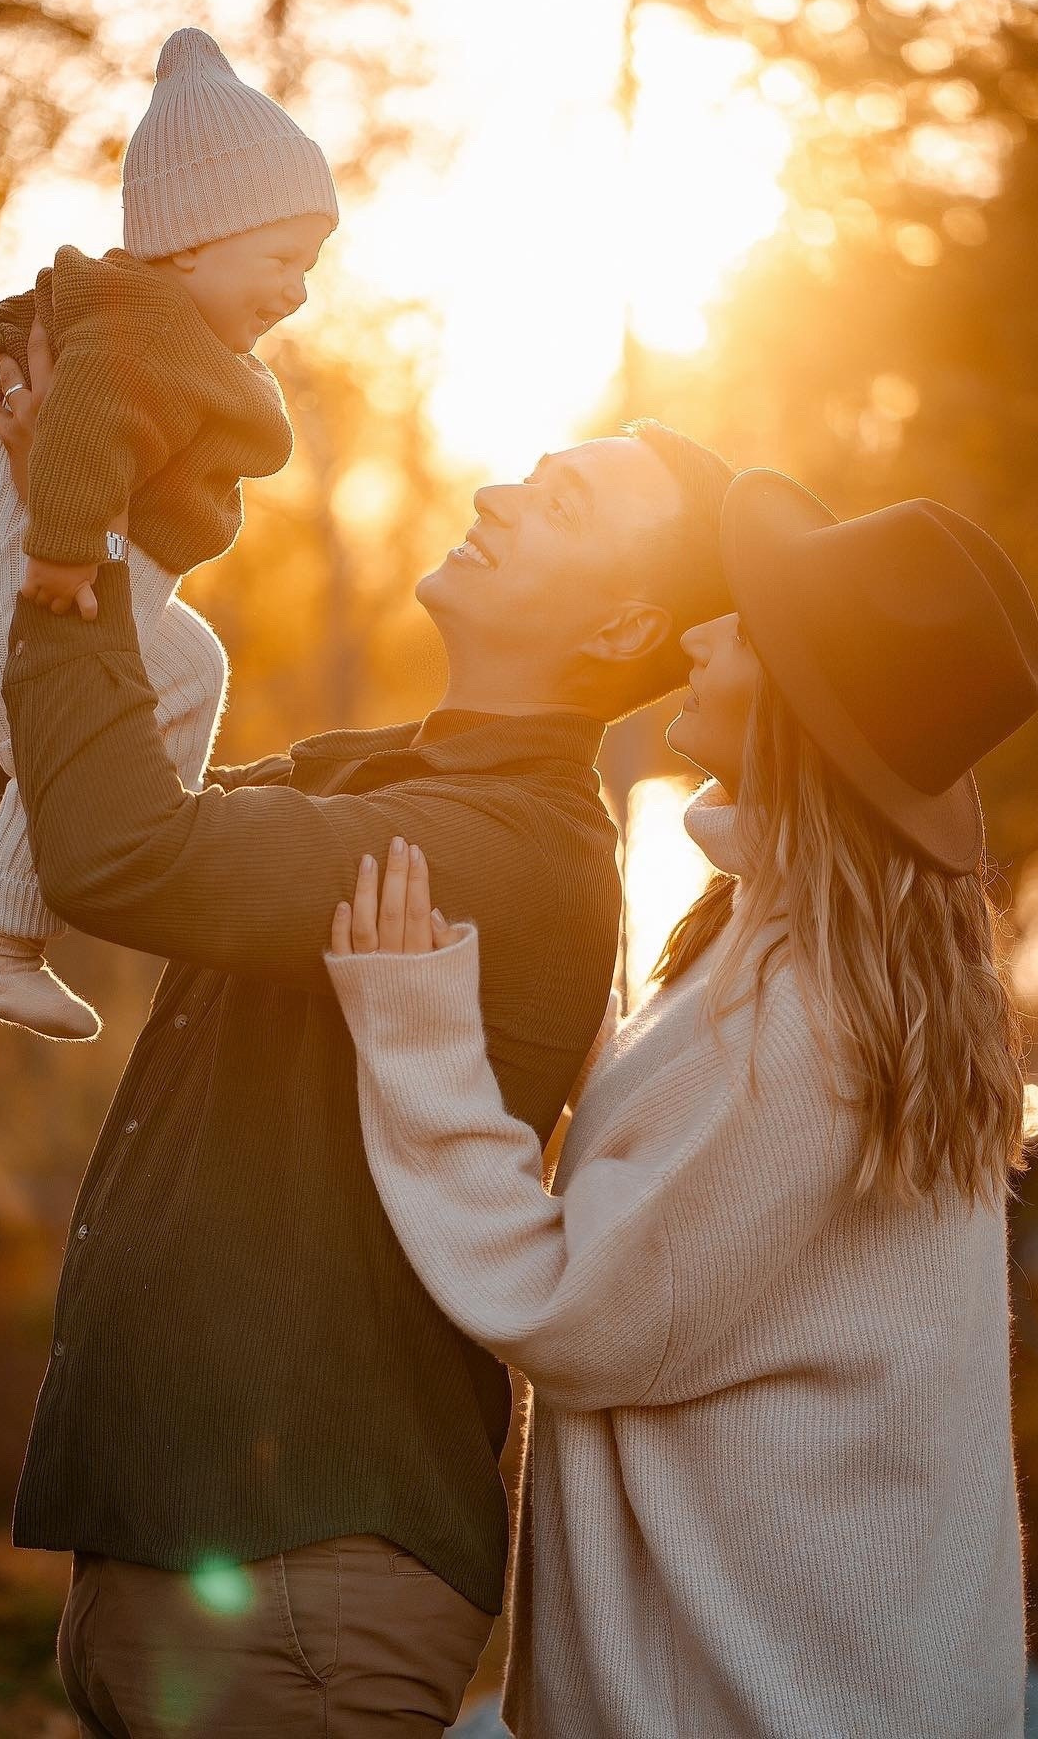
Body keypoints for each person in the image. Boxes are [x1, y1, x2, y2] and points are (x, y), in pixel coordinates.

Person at [0, 322, 737, 1731]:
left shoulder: (509, 850)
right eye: (529, 472)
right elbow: (15, 817)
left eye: (563, 504)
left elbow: (120, 855)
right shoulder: (374, 780)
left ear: (617, 630)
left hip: (299, 1583)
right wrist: (31, 510)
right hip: (199, 1572)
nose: (498, 495)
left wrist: (84, 541)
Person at [326, 469, 1038, 1738]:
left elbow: (580, 1308)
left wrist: (416, 1033)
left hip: (767, 1702)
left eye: (746, 628)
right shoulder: (769, 949)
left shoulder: (811, 1018)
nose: (700, 632)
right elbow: (669, 1196)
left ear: (804, 711)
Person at [0, 25, 337, 1041]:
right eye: (282, 257)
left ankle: (149, 830)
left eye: (309, 265)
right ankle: (1, 940)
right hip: (31, 581)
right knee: (64, 739)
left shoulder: (167, 328)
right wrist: (64, 553)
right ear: (193, 235)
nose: (298, 288)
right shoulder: (136, 325)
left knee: (191, 667)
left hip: (79, 581)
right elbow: (85, 431)